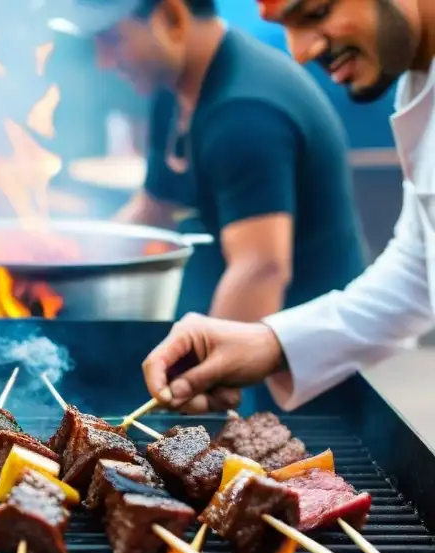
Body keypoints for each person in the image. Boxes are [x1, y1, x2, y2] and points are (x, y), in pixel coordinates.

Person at [139, 0, 435, 414]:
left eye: (316, 12)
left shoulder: (245, 106)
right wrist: (269, 342)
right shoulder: (418, 83)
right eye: (286, 26)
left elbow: (262, 265)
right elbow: (418, 273)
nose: (299, 52)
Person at [48, 0, 367, 322]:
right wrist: (68, 266)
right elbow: (153, 211)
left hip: (303, 340)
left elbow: (260, 270)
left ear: (171, 17)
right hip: (233, 307)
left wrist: (206, 369)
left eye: (114, 40)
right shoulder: (174, 88)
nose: (103, 62)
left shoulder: (244, 113)